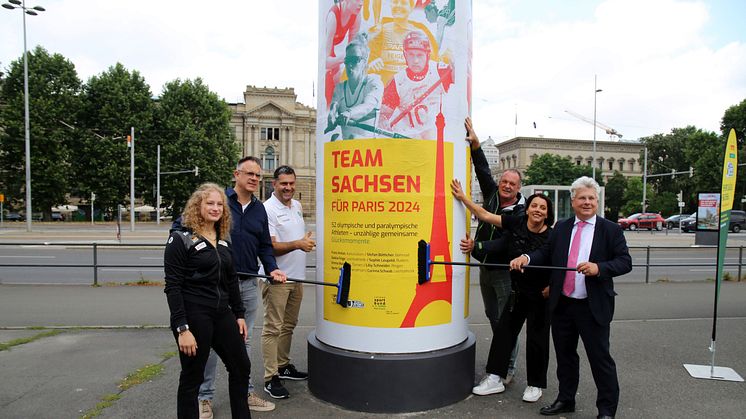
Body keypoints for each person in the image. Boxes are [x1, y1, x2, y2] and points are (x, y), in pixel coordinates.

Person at [510, 176, 632, 419]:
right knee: (565, 358)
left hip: (592, 306)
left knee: (600, 360)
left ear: (596, 202)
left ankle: (607, 411)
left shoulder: (611, 230)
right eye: (582, 198)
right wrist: (527, 257)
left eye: (591, 198)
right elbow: (546, 252)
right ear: (573, 201)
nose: (587, 202)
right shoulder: (563, 228)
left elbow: (624, 261)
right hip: (563, 304)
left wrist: (599, 268)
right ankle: (566, 400)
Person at [190, 157, 287, 418]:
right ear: (236, 174)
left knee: (243, 342)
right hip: (215, 288)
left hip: (245, 286)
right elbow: (188, 226)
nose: (255, 179)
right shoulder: (219, 202)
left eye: (258, 175)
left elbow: (265, 246)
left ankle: (244, 392)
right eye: (249, 174)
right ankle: (204, 397)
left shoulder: (259, 209)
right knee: (209, 343)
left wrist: (271, 269)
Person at [452, 179, 553, 403]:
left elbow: (552, 259)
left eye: (543, 208)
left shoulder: (551, 235)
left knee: (537, 339)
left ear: (547, 214)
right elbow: (486, 215)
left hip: (540, 294)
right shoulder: (516, 223)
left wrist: (550, 284)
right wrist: (463, 198)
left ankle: (535, 385)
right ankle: (495, 378)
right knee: (504, 333)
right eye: (534, 206)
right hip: (517, 292)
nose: (537, 210)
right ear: (527, 209)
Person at [164, 183, 251, 419]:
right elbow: (173, 288)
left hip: (222, 314)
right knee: (193, 377)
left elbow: (231, 280)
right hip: (194, 316)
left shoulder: (223, 239)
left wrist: (239, 314)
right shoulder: (181, 239)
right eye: (209, 203)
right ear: (197, 206)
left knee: (241, 367)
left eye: (219, 204)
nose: (215, 208)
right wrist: (183, 329)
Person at [462, 117, 524, 389]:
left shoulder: (520, 211)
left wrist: (478, 247)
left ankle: (507, 368)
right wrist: (475, 146)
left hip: (502, 271)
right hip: (485, 269)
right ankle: (502, 362)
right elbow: (483, 170)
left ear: (518, 189)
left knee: (505, 322)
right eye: (505, 181)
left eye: (512, 184)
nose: (507, 185)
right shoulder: (492, 194)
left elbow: (504, 244)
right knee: (493, 317)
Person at [261, 165, 315, 399]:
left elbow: (296, 239)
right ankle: (270, 377)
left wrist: (302, 242)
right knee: (273, 328)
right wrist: (298, 244)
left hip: (296, 278)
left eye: (292, 183)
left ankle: (283, 366)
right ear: (274, 184)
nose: (289, 188)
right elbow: (270, 246)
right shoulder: (267, 209)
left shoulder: (297, 206)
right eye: (284, 183)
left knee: (288, 326)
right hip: (276, 278)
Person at [378, 30, 453, 139]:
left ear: (427, 55)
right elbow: (383, 114)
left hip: (437, 137)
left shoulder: (441, 71)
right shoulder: (397, 81)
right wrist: (383, 121)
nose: (415, 60)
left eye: (420, 55)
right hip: (410, 138)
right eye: (411, 55)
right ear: (405, 55)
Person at [327, 33, 384, 140]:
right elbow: (334, 105)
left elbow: (368, 105)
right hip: (349, 153)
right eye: (347, 61)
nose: (349, 65)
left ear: (364, 62)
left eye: (355, 60)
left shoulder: (374, 82)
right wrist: (331, 115)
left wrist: (349, 113)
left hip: (369, 151)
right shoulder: (339, 88)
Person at [324, 0, 365, 109]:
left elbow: (352, 49)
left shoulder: (356, 15)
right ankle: (328, 110)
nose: (361, 3)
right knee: (330, 77)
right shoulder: (333, 16)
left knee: (345, 76)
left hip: (334, 50)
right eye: (357, 0)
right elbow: (325, 63)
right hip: (326, 48)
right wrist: (343, 58)